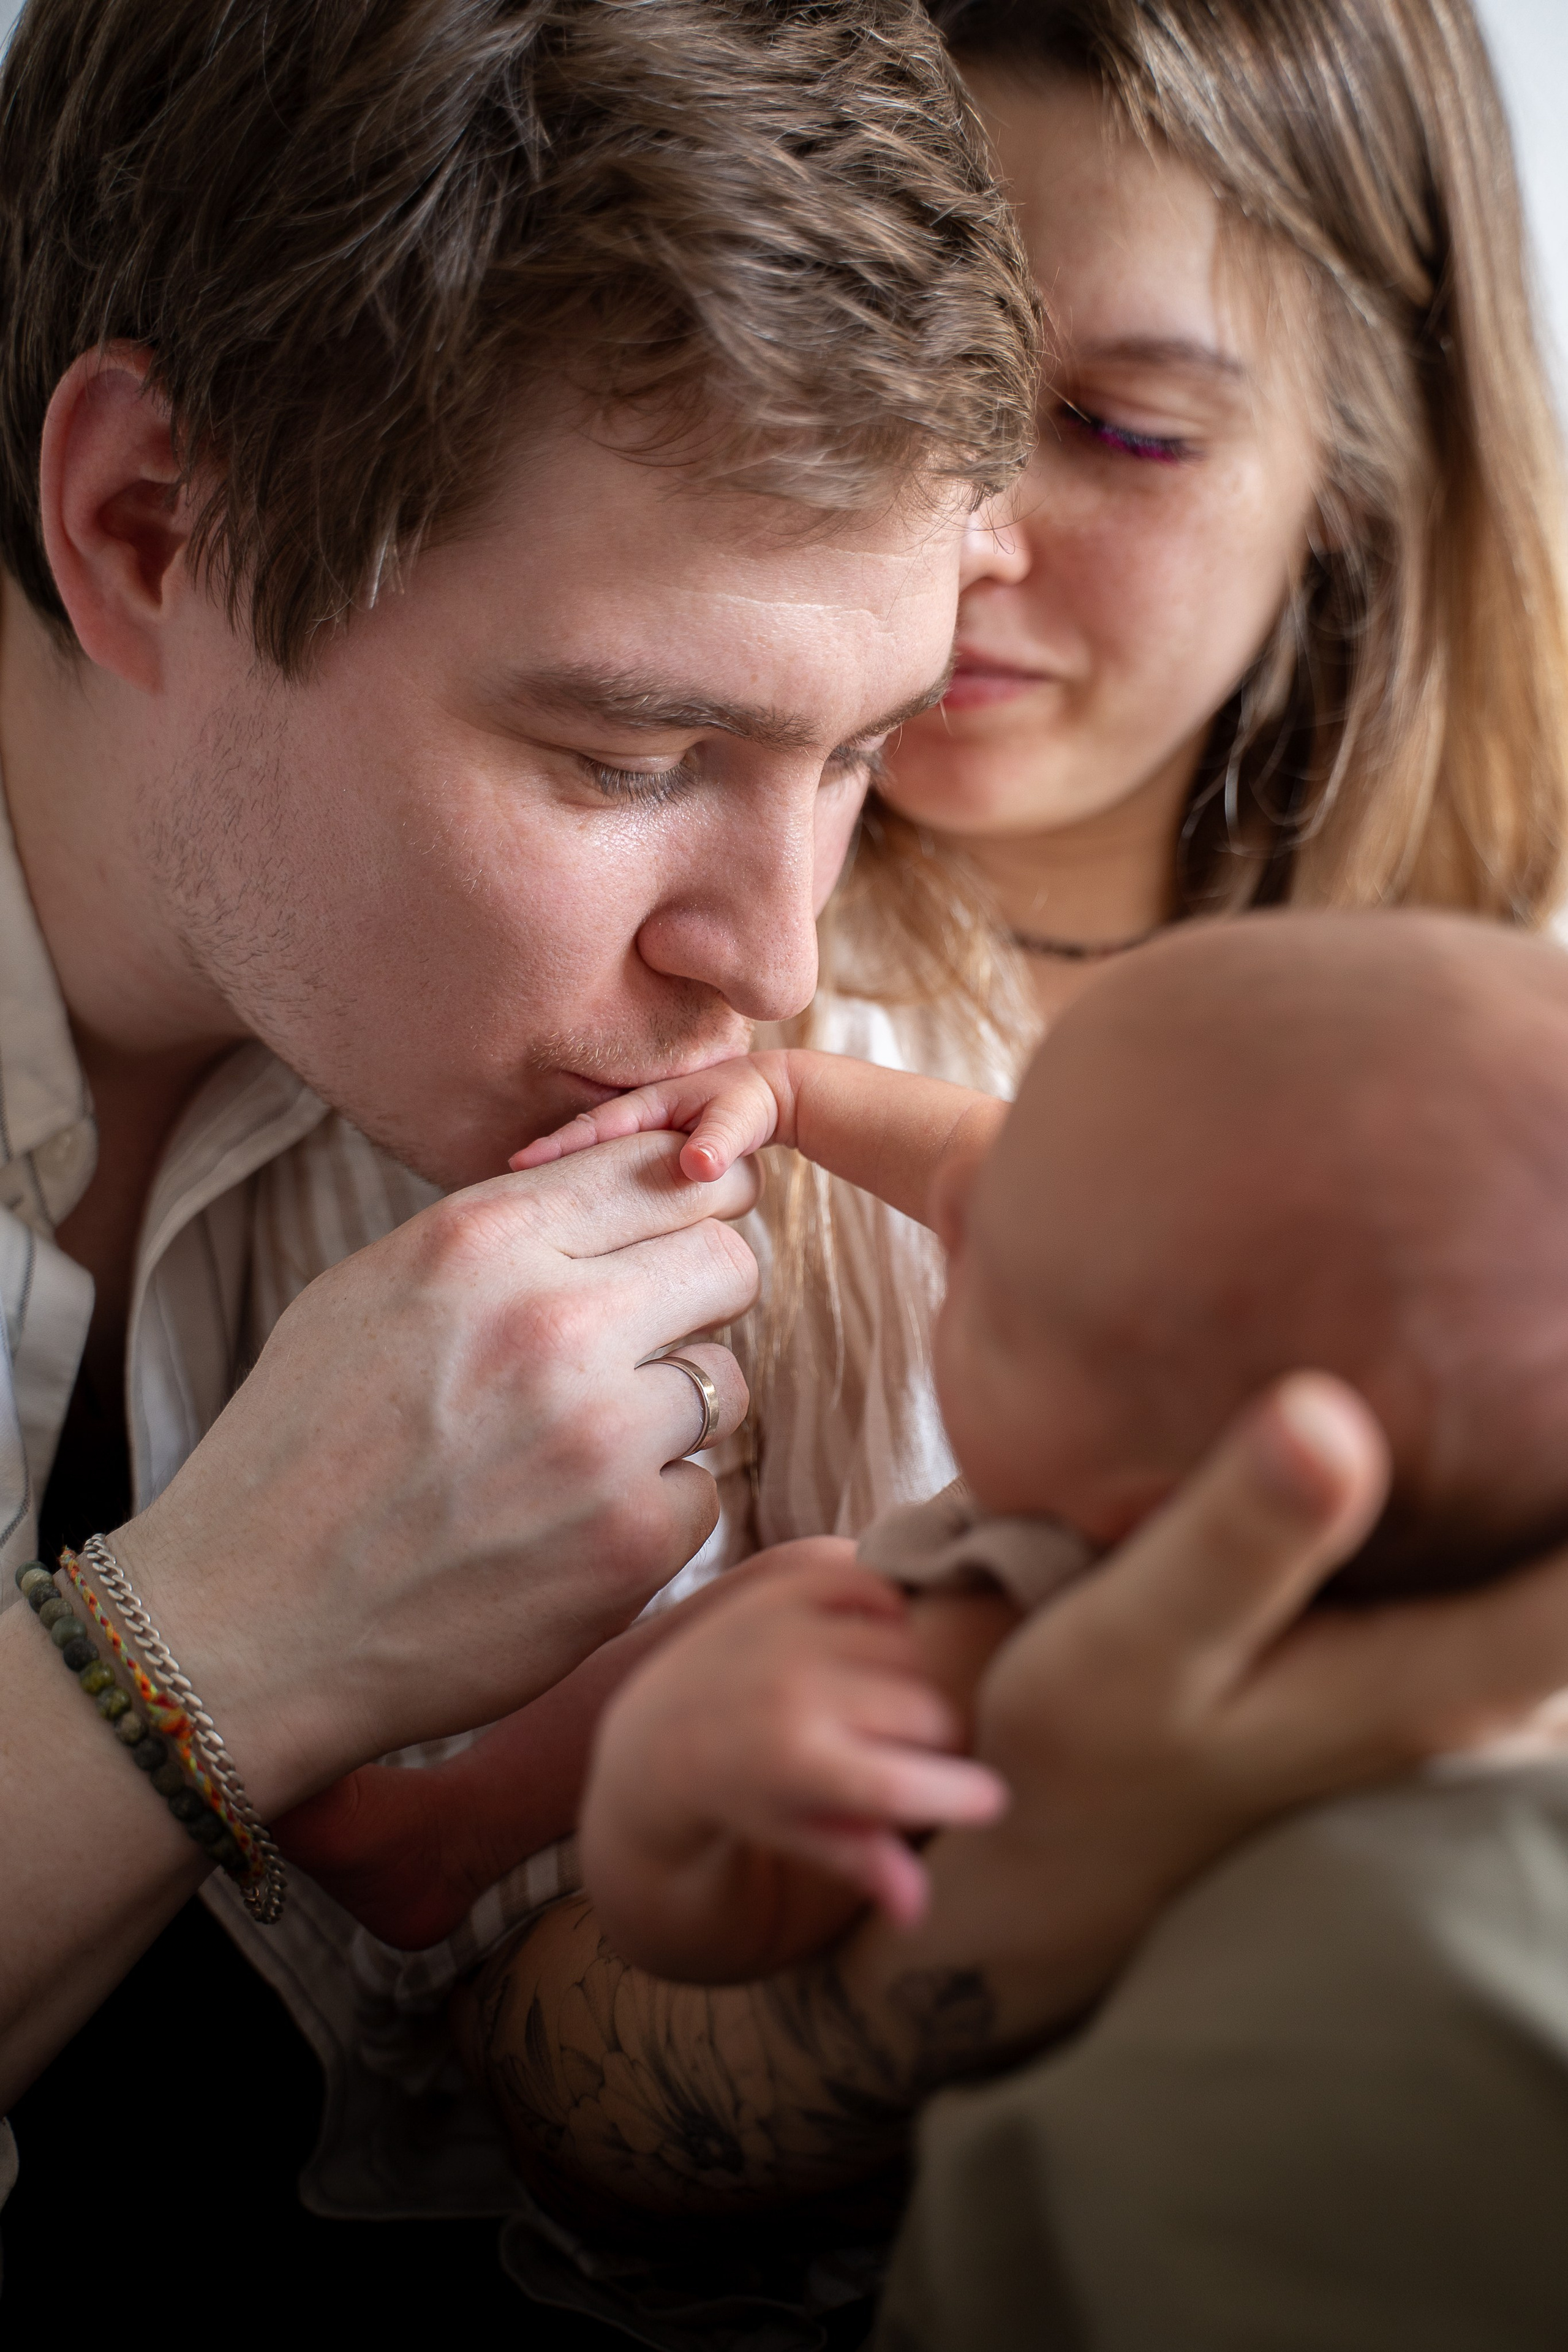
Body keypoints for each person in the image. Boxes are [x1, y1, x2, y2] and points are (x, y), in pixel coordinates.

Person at [443, 1, 1568, 2343]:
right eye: (893, 382)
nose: (964, 537)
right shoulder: (647, 990)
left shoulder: (1518, 985)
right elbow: (493, 2041)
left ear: (1363, 458)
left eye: (1125, 427)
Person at [0, 0, 1046, 2310]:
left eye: (859, 749)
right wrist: (239, 1636)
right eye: (632, 752)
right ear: (150, 533)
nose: (770, 962)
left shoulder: (879, 1119)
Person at [565, 907, 1568, 1984]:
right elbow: (971, 1154)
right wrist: (794, 1095)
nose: (952, 1203)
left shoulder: (975, 1659)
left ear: (1161, 1524)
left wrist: (657, 1781)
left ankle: (473, 1820)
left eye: (993, 1299)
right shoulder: (1194, 1285)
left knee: (808, 1598)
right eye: (1027, 1126)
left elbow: (722, 1938)